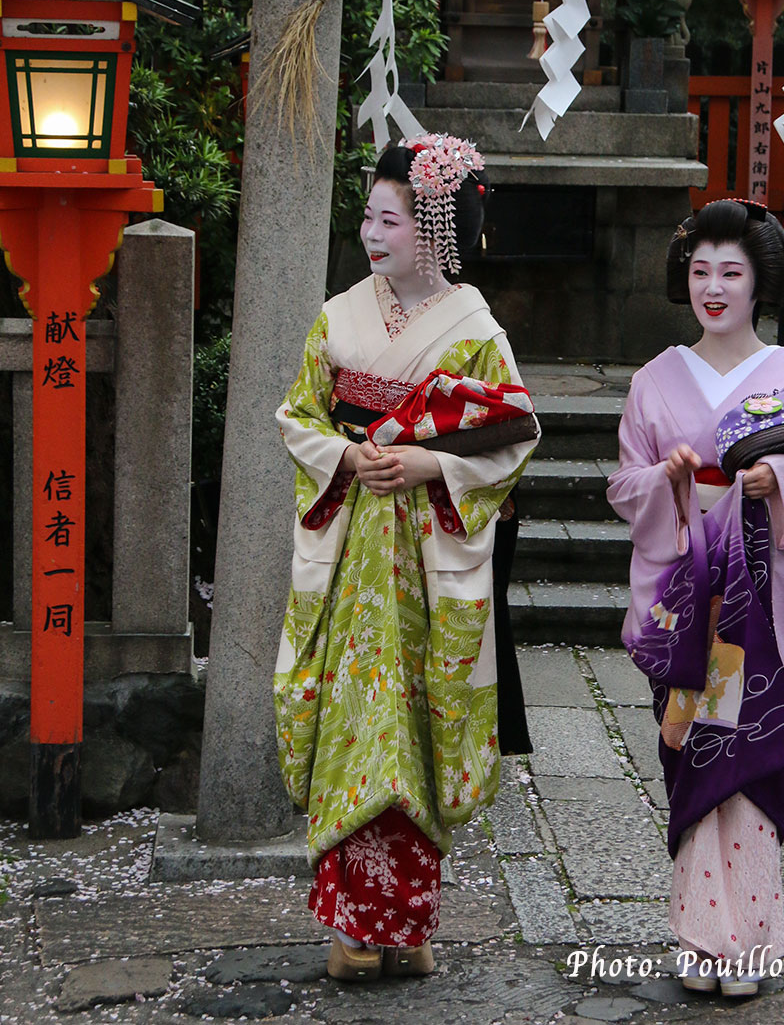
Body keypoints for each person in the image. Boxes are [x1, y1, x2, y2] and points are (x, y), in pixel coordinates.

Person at [274, 134, 539, 981]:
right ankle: (355, 928)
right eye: (365, 215)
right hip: (354, 554)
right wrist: (346, 458)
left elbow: (511, 437)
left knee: (422, 722)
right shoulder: (338, 316)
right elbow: (299, 416)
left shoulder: (473, 328)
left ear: (433, 225)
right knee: (359, 726)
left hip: (426, 559)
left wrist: (431, 463)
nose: (369, 232)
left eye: (387, 217)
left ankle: (413, 923)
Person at [606, 199, 784, 999]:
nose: (713, 288)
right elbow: (625, 485)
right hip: (690, 599)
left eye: (731, 273)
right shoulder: (654, 380)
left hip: (756, 602)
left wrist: (777, 478)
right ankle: (699, 934)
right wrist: (667, 478)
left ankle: (744, 942)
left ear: (759, 285)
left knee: (742, 766)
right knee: (694, 759)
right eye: (700, 272)